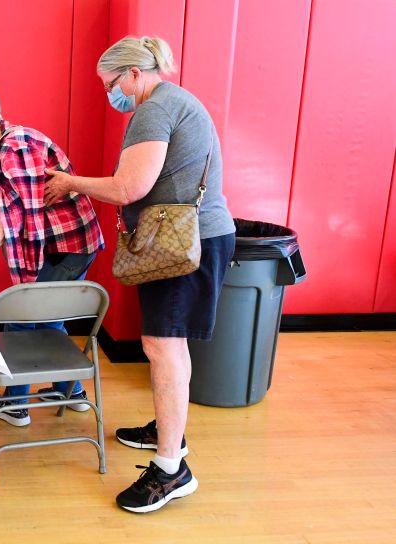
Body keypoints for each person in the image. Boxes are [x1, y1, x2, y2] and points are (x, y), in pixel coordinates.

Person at [44, 36, 236, 513]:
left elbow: (130, 187)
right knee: (169, 344)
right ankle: (167, 430)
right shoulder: (176, 102)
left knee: (162, 346)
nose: (112, 94)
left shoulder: (153, 110)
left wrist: (71, 183)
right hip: (194, 240)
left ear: (133, 73)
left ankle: (172, 469)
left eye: (111, 84)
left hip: (185, 245)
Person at [0, 80, 104, 427]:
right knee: (49, 316)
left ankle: (15, 404)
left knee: (22, 316)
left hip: (66, 245)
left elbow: (20, 213)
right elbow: (12, 207)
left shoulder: (14, 147)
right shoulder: (6, 145)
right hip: (73, 242)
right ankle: (71, 393)